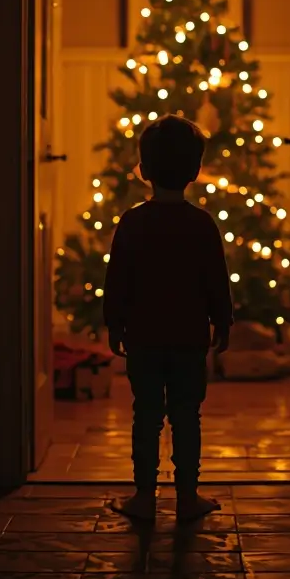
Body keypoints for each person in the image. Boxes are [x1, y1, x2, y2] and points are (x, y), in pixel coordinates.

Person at [102, 114, 234, 523]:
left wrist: (114, 324)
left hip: (143, 337)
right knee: (185, 415)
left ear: (143, 169)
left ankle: (144, 495)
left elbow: (117, 279)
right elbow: (216, 280)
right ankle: (187, 496)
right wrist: (223, 322)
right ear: (195, 170)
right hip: (189, 338)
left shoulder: (133, 222)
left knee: (146, 414)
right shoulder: (202, 225)